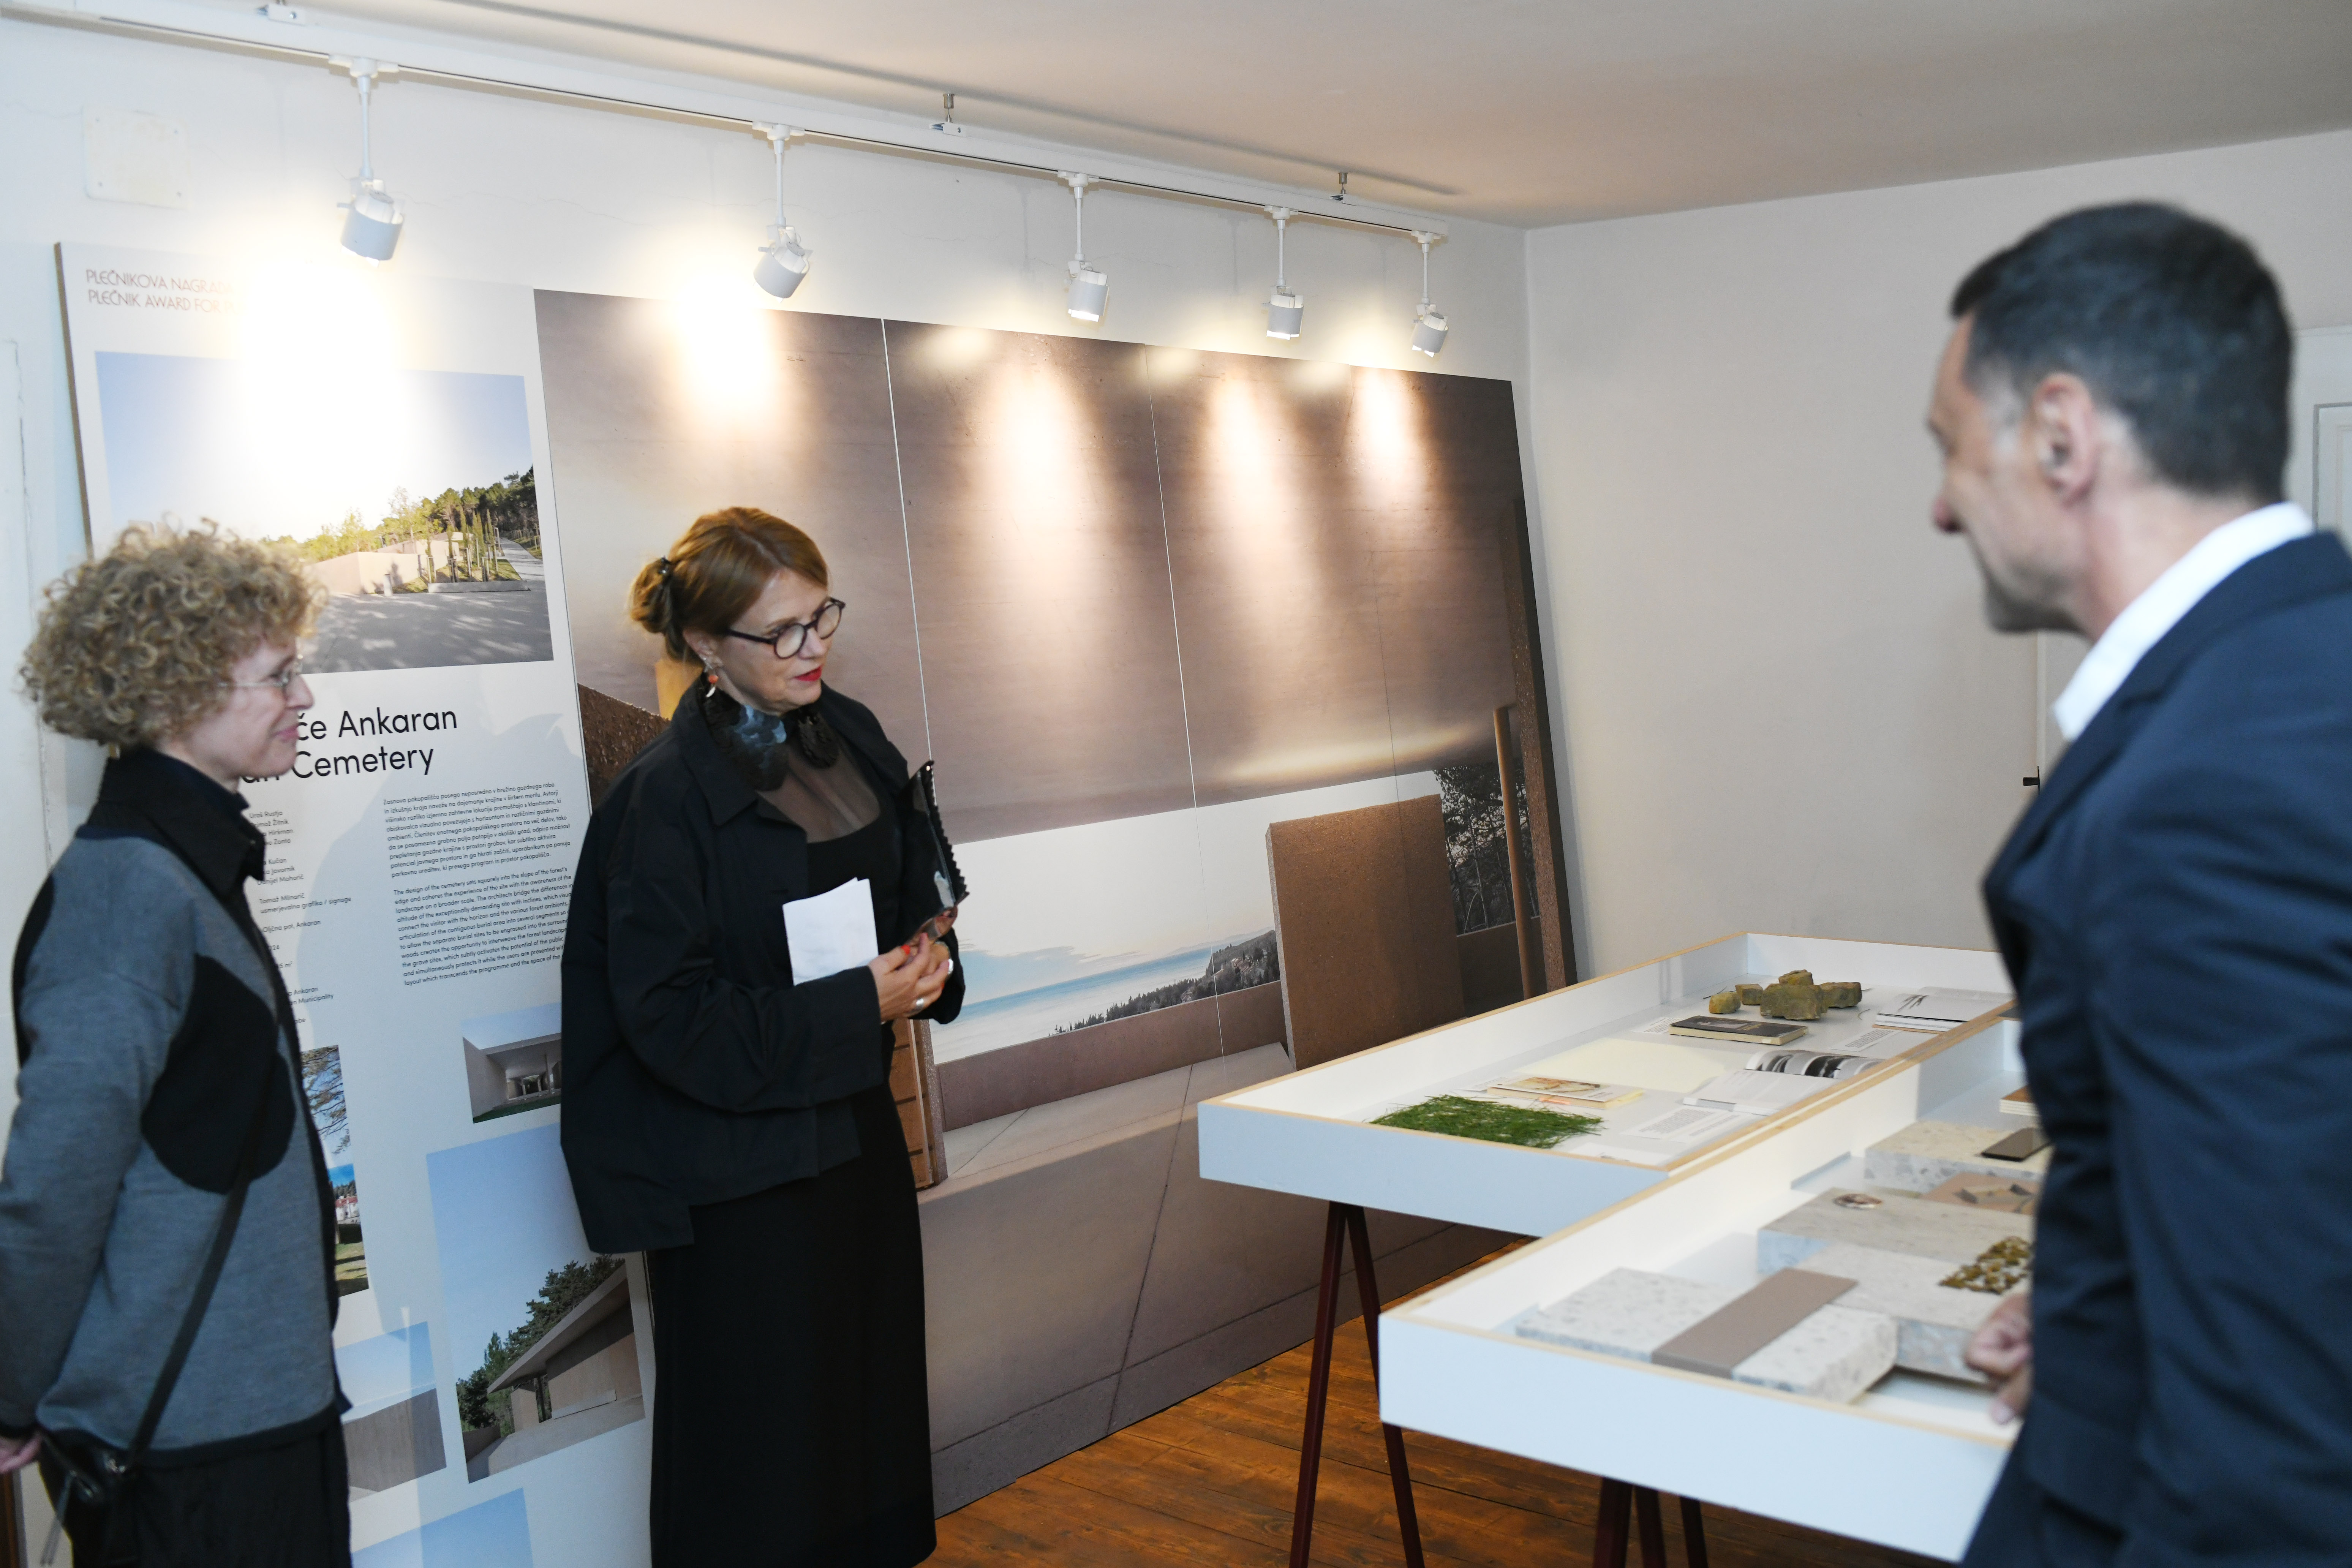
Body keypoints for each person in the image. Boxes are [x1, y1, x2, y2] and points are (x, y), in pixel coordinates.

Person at [1928, 204, 2352, 1563]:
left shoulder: (2210, 790)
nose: (1942, 506)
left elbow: (2275, 1445)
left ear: (2063, 436)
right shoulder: (2305, 670)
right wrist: (2105, 1308)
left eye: (1952, 446)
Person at [561, 506, 961, 1568]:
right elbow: (666, 1021)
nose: (812, 645)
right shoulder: (661, 802)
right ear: (704, 643)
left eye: (821, 616)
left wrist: (928, 953)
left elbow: (907, 879)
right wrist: (856, 1005)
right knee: (765, 1462)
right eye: (781, 631)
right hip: (743, 1187)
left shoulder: (852, 734)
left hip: (856, 1143)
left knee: (868, 1417)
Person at [0, 525, 348, 1565]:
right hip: (188, 1459)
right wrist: (10, 1393)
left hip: (253, 1424)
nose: (304, 697)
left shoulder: (185, 870)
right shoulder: (124, 897)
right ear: (173, 695)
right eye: (277, 676)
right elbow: (54, 1189)